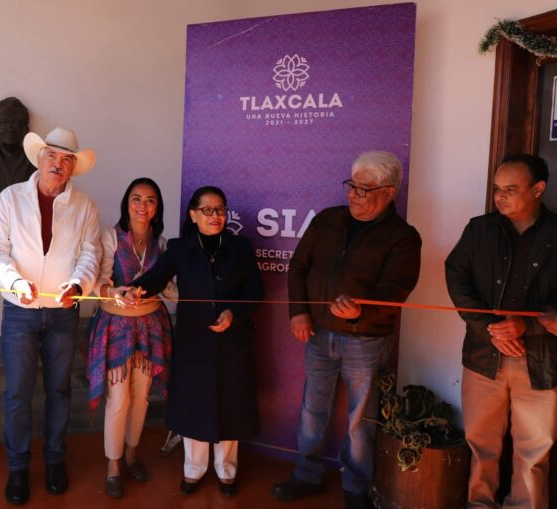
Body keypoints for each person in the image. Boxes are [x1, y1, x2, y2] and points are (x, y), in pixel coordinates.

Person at [272, 151, 422, 509]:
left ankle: (356, 488)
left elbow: (396, 289)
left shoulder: (403, 237)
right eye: (351, 186)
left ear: (389, 192)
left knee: (361, 418)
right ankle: (306, 475)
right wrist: (299, 312)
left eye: (363, 189)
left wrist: (360, 311)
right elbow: (298, 267)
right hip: (318, 334)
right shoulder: (327, 219)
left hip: (366, 341)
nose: (354, 194)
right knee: (312, 408)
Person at [0, 126, 101, 505]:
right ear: (39, 158)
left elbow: (91, 253)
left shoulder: (85, 206)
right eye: (52, 155)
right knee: (18, 393)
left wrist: (78, 285)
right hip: (19, 312)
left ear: (73, 168)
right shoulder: (10, 198)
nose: (58, 164)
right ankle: (18, 468)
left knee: (59, 391)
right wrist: (14, 281)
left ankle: (54, 461)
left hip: (63, 314)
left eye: (67, 159)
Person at [130, 185, 264, 497]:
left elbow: (256, 291)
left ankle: (227, 470)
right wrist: (135, 289)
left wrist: (233, 314)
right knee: (195, 404)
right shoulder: (180, 248)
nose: (215, 216)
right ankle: (194, 469)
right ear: (193, 215)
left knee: (231, 404)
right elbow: (155, 278)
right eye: (207, 210)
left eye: (220, 209)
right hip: (194, 341)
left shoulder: (240, 247)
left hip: (233, 340)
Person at [445, 153, 557, 509]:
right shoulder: (480, 229)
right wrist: (491, 327)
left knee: (534, 450)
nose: (500, 197)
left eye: (510, 189)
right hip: (484, 354)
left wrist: (528, 325)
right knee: (481, 443)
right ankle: (479, 505)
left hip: (540, 360)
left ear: (538, 189)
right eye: (496, 189)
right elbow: (456, 275)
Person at [86, 177, 175, 498]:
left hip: (151, 327)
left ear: (157, 208)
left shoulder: (162, 244)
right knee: (118, 398)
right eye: (136, 198)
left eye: (150, 200)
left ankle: (132, 454)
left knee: (141, 396)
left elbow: (169, 288)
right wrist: (114, 292)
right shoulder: (111, 237)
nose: (142, 205)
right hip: (116, 327)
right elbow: (98, 281)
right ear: (127, 203)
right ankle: (113, 465)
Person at [0, 97, 36, 198]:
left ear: (26, 130)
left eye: (16, 122)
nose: (10, 128)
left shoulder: (35, 163)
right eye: (4, 122)